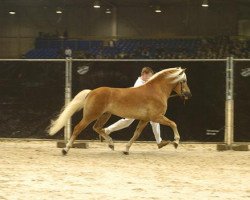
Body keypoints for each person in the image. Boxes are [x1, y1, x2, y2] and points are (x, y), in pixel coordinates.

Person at [104, 67, 169, 149]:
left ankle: (159, 142)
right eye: (149, 76)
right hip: (134, 107)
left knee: (155, 121)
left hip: (143, 108)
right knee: (127, 121)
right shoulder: (139, 84)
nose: (151, 78)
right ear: (144, 74)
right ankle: (107, 130)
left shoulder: (147, 82)